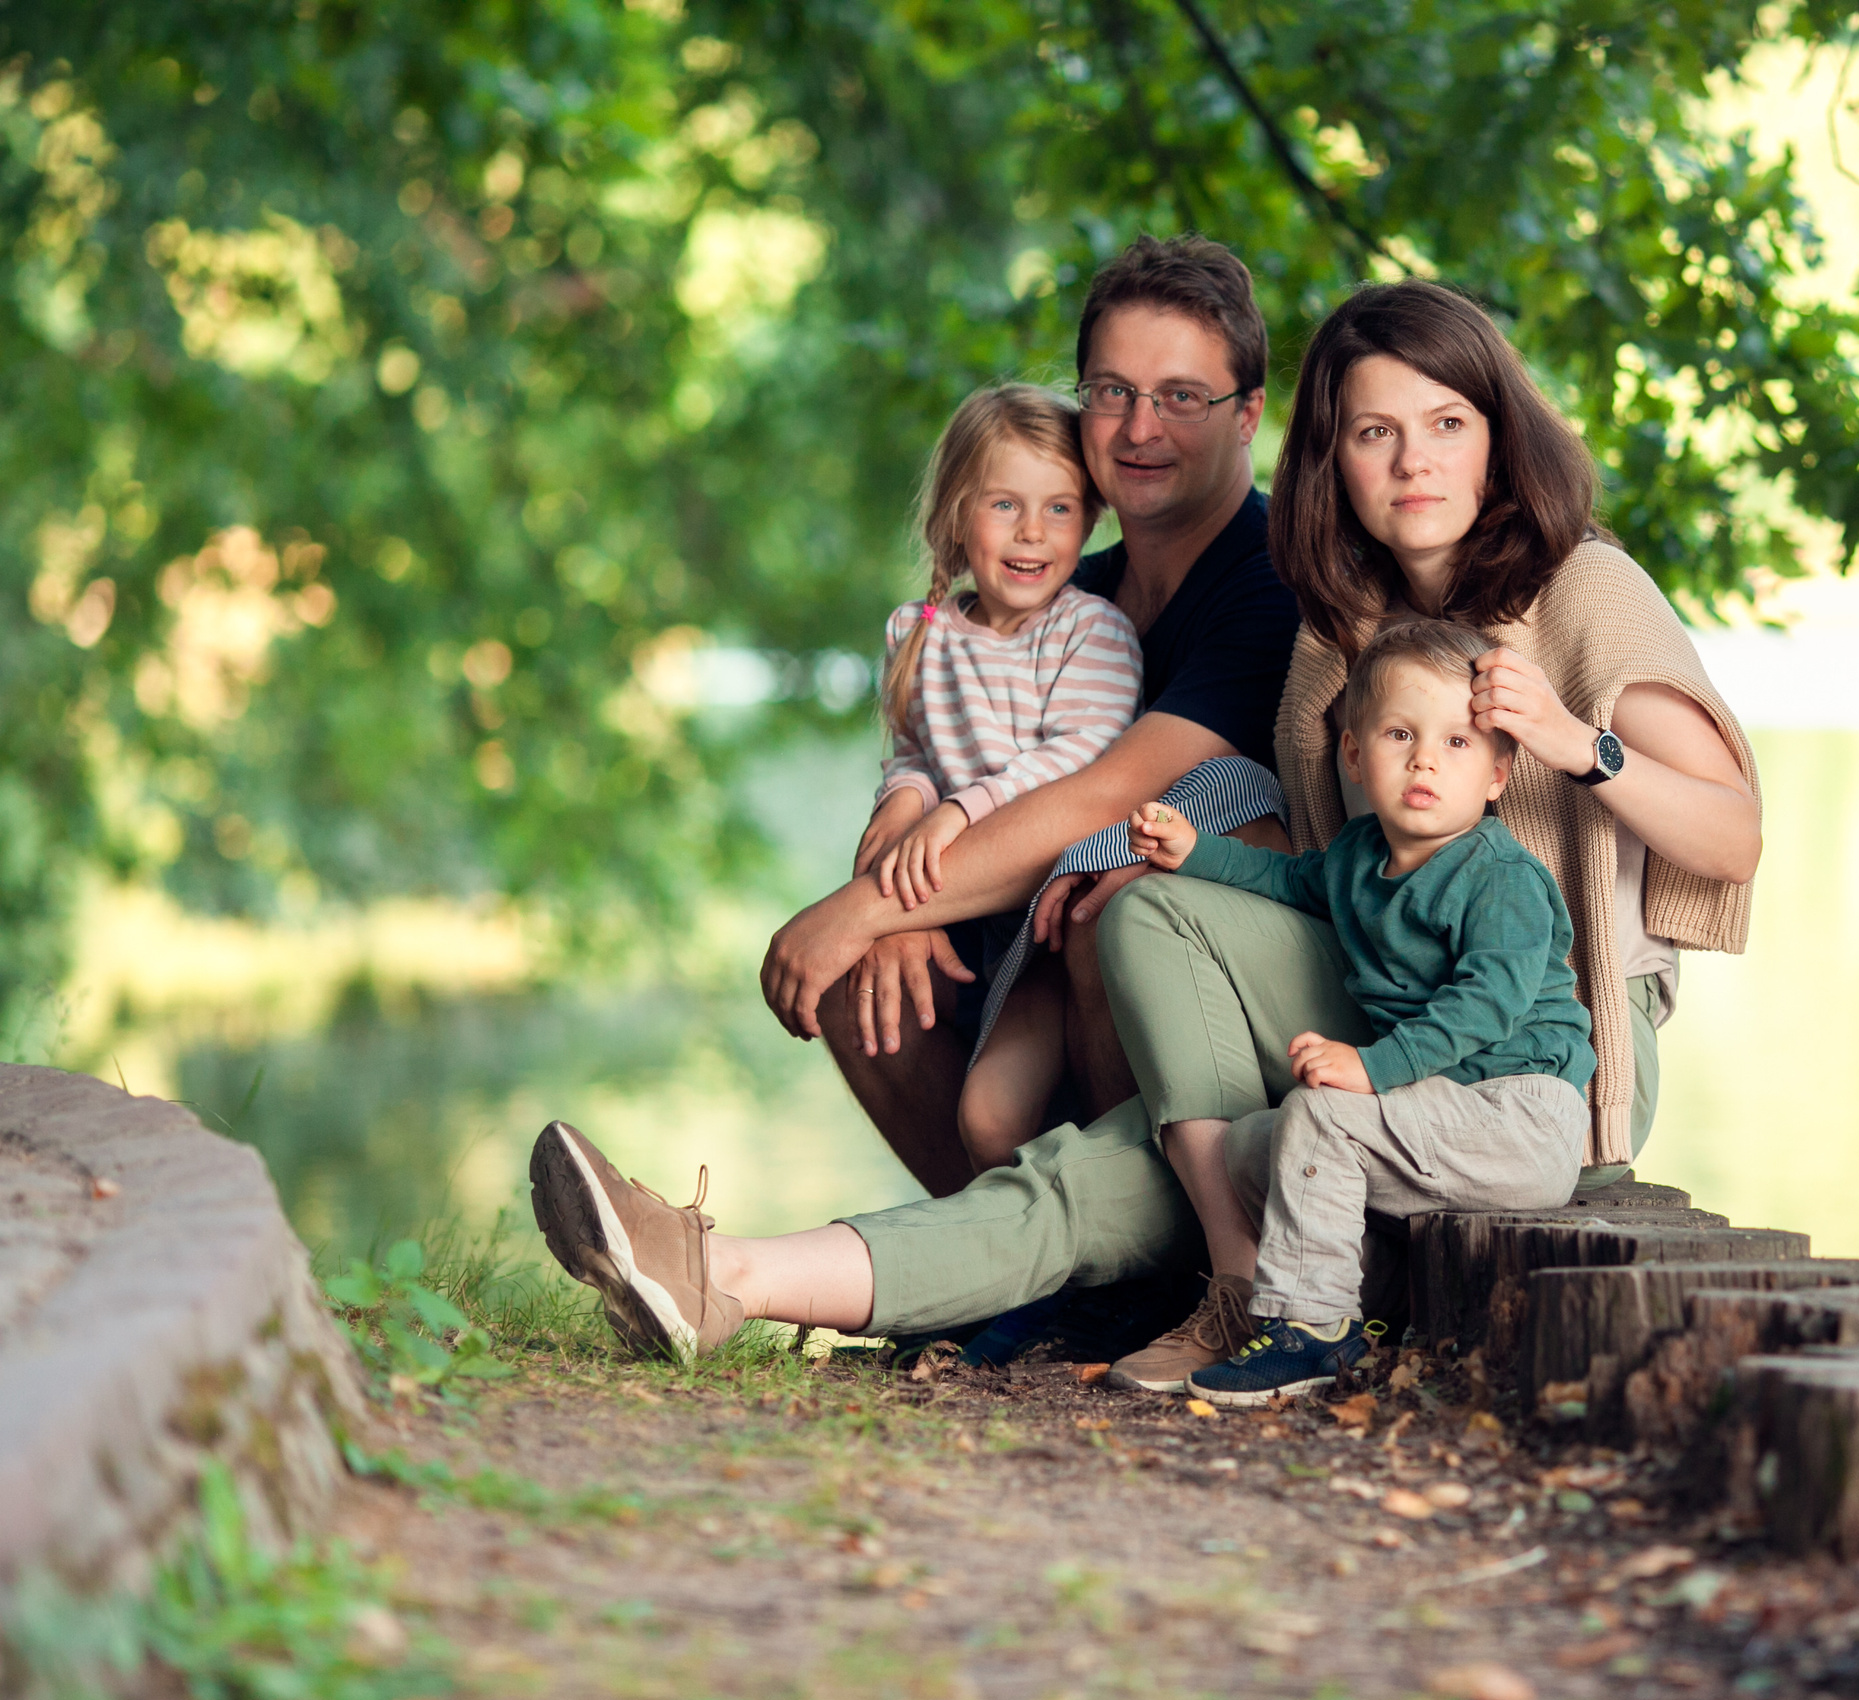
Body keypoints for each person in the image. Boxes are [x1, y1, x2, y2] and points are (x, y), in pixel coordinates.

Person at [525, 277, 1760, 1368]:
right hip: (1371, 1029)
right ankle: (723, 1277)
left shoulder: (1580, 590)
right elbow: (1311, 867)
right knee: (1136, 1033)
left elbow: (1732, 839)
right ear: (1328, 455)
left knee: (1126, 1098)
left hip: (1537, 1059)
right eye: (1373, 432)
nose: (1412, 463)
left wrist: (1580, 748)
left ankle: (780, 1272)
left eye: (1446, 425)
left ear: (1497, 435)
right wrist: (935, 881)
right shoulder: (1331, 637)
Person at [760, 235, 1300, 1201]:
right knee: (860, 972)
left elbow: (1105, 791)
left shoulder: (1269, 583)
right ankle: (1009, 1258)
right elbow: (940, 745)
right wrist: (899, 885)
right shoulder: (1062, 589)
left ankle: (1137, 1249)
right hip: (1028, 935)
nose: (1140, 427)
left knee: (1110, 908)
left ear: (1248, 413)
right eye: (1113, 391)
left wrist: (874, 902)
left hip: (1230, 974)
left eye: (1181, 395)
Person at [1110, 619, 1594, 1401]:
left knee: (1320, 1114)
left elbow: (1487, 1005)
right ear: (1354, 755)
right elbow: (1285, 879)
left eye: (1457, 743)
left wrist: (1371, 1068)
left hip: (1520, 1115)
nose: (1426, 759)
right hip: (1436, 1110)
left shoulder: (1500, 877)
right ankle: (1372, 1294)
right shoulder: (1358, 857)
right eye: (1401, 734)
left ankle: (1310, 1332)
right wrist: (1196, 852)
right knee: (1249, 1148)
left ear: (1498, 774)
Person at [854, 384, 1141, 1173]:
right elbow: (914, 751)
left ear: (1091, 520)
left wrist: (955, 812)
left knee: (990, 1118)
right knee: (970, 1115)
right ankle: (1017, 1242)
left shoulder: (1091, 631)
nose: (1031, 531)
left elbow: (1079, 758)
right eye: (1005, 504)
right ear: (956, 514)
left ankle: (1089, 1225)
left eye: (1059, 508)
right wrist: (903, 802)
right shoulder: (919, 632)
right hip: (968, 916)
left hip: (1052, 925)